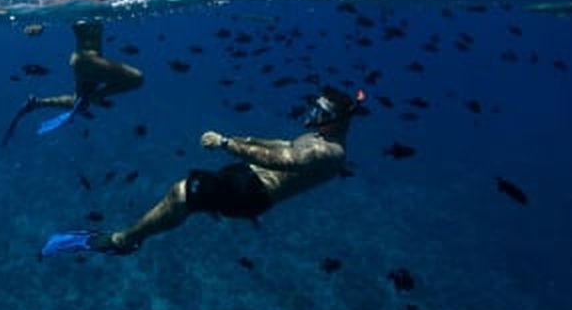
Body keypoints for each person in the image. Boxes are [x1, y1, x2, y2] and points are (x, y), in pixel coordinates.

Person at [41, 86, 365, 254]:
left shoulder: (329, 151)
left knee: (182, 194)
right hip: (246, 178)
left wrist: (226, 143)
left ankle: (123, 241)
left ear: (340, 118)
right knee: (186, 195)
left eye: (319, 110)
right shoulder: (318, 136)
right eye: (314, 105)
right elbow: (283, 144)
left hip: (254, 193)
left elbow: (284, 162)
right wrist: (246, 138)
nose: (311, 112)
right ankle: (134, 235)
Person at [1, 18, 143, 146]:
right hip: (88, 60)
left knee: (80, 104)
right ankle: (96, 97)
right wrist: (38, 23)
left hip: (84, 61)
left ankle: (37, 103)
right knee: (137, 78)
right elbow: (59, 8)